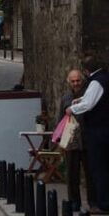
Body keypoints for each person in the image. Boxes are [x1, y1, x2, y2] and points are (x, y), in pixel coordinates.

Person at [66, 55, 109, 214]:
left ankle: (103, 203)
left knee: (99, 168)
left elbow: (90, 103)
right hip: (103, 129)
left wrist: (73, 109)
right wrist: (81, 100)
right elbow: (93, 97)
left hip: (98, 132)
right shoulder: (104, 78)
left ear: (86, 71)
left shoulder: (97, 81)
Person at [59, 69, 93, 212]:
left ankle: (93, 202)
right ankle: (74, 201)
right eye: (73, 81)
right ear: (69, 82)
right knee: (72, 174)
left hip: (87, 141)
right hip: (72, 142)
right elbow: (61, 117)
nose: (76, 83)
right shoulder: (66, 97)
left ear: (82, 80)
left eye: (78, 80)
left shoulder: (89, 95)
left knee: (90, 174)